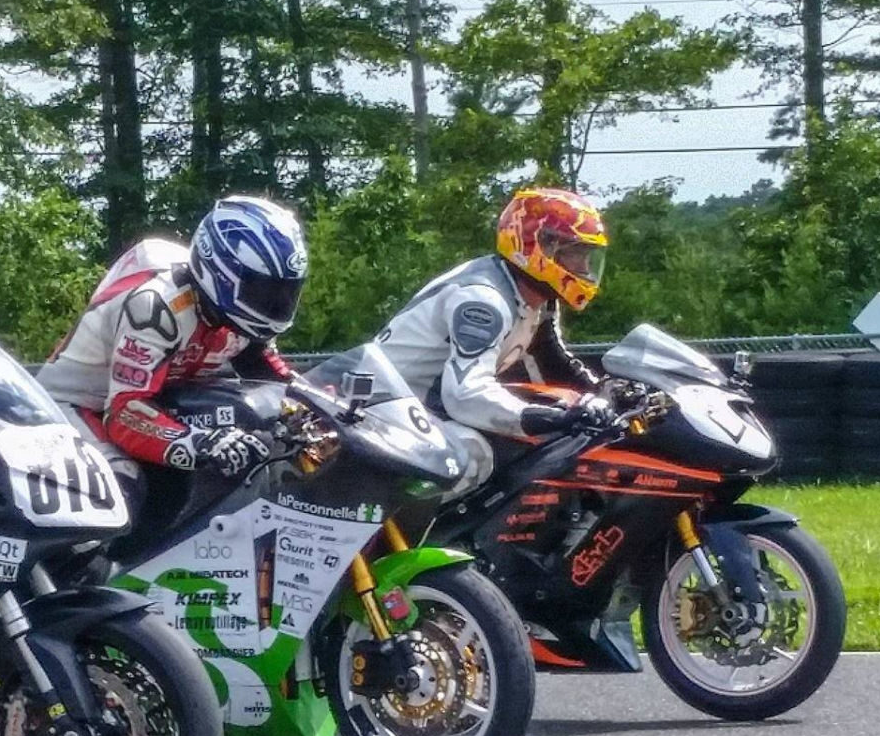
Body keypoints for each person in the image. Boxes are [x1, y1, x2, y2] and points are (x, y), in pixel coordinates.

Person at [39, 195, 308, 513]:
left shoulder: (236, 317)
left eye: (283, 292)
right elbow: (124, 414)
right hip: (73, 409)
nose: (274, 304)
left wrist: (317, 406)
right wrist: (204, 443)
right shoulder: (157, 306)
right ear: (221, 273)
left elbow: (267, 370)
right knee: (118, 488)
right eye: (262, 290)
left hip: (150, 406)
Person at [374, 187, 613, 494]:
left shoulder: (536, 297)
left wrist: (608, 391)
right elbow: (465, 395)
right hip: (385, 412)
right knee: (472, 454)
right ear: (542, 246)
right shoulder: (484, 300)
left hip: (422, 410)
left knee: (546, 444)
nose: (584, 268)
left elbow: (551, 361)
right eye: (576, 253)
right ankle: (411, 538)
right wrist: (546, 417)